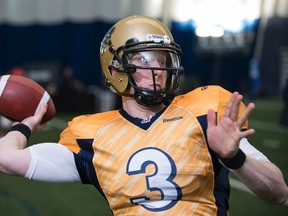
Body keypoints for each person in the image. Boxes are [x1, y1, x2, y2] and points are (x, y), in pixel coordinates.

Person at [0, 15, 287, 216]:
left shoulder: (204, 113)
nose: (157, 70)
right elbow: (6, 159)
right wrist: (24, 125)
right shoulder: (90, 135)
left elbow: (278, 193)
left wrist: (235, 157)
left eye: (162, 60)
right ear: (114, 70)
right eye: (142, 60)